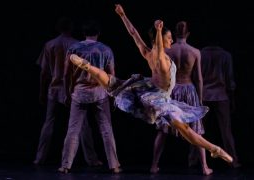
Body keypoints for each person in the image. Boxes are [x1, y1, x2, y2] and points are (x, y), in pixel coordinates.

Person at [69, 4, 233, 171]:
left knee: (113, 83)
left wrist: (123, 15)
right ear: (161, 39)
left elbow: (133, 33)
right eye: (169, 38)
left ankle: (88, 67)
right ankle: (214, 149)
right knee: (184, 128)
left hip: (146, 89)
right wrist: (159, 30)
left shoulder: (147, 53)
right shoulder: (161, 57)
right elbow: (160, 49)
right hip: (158, 98)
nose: (171, 40)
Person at [34, 17, 102, 167]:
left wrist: (41, 91)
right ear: (71, 28)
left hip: (54, 87)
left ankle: (39, 158)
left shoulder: (50, 44)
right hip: (72, 88)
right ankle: (91, 159)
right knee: (82, 124)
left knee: (49, 122)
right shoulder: (77, 45)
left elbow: (44, 72)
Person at [58, 18, 121, 174]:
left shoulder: (74, 48)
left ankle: (65, 165)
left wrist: (67, 92)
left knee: (73, 130)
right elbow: (111, 75)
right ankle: (114, 165)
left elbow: (66, 75)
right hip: (100, 92)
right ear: (98, 33)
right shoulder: (106, 50)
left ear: (84, 33)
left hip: (79, 92)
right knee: (106, 129)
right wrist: (113, 95)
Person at [150, 21, 213, 175]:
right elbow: (198, 78)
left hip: (171, 90)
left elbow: (157, 73)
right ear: (188, 34)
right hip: (189, 90)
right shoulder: (195, 52)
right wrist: (200, 100)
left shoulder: (167, 51)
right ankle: (204, 167)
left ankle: (153, 165)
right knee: (196, 130)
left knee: (163, 130)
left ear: (174, 34)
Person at [200, 41, 241, 168]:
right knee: (226, 131)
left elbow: (197, 77)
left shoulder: (200, 54)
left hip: (204, 95)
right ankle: (233, 161)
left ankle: (194, 161)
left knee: (198, 131)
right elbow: (229, 79)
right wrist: (232, 99)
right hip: (221, 95)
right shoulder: (226, 55)